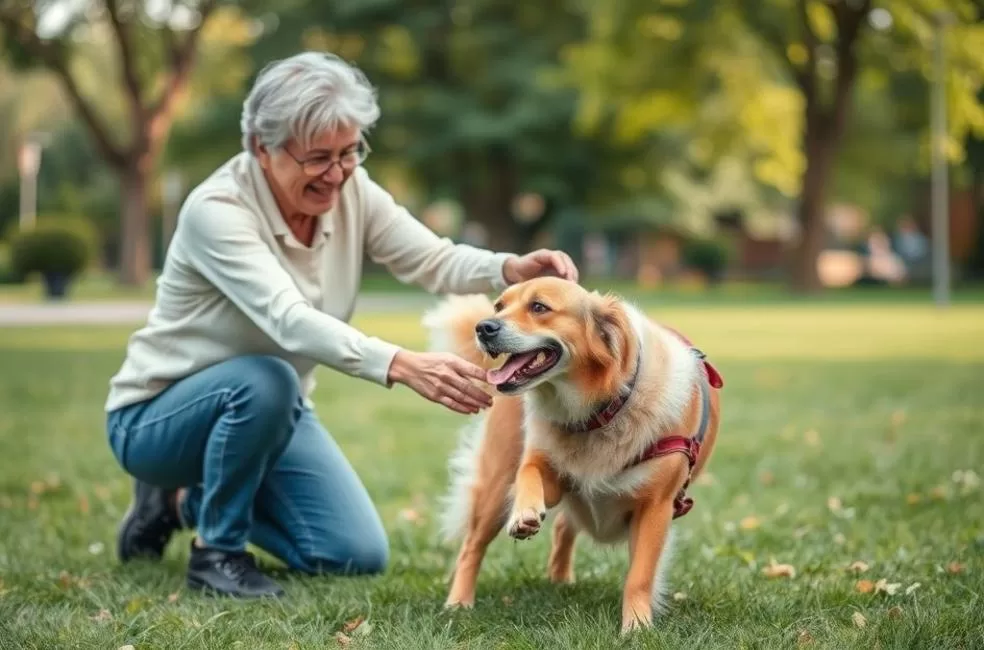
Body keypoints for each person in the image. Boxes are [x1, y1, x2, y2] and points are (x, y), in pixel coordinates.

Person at [104, 51, 579, 599]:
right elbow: (288, 319)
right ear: (263, 148)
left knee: (353, 552)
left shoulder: (351, 189)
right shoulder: (217, 210)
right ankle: (217, 552)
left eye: (350, 151)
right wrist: (400, 364)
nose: (337, 173)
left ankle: (173, 503)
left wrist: (506, 268)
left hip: (271, 416)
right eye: (317, 158)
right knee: (265, 379)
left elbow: (430, 257)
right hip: (156, 422)